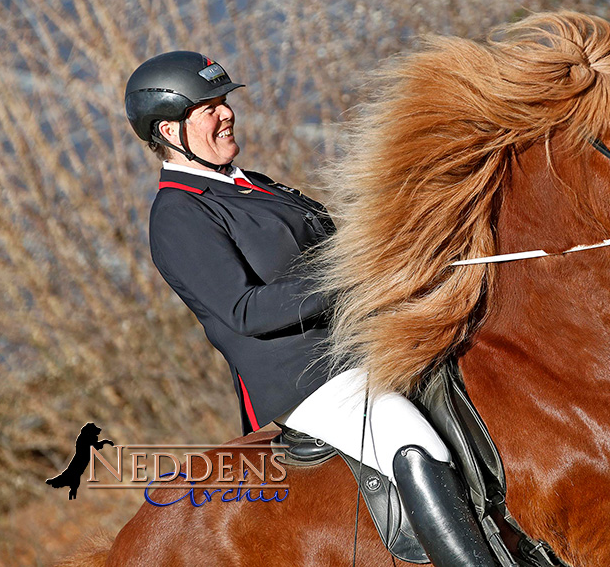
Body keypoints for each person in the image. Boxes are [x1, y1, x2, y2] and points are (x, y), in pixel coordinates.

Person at [124, 51, 496, 566]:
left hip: (362, 344)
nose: (226, 113)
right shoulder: (179, 215)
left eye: (224, 101)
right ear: (169, 130)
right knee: (407, 439)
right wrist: (353, 275)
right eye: (208, 107)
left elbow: (338, 246)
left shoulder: (253, 184)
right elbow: (243, 310)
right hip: (309, 379)